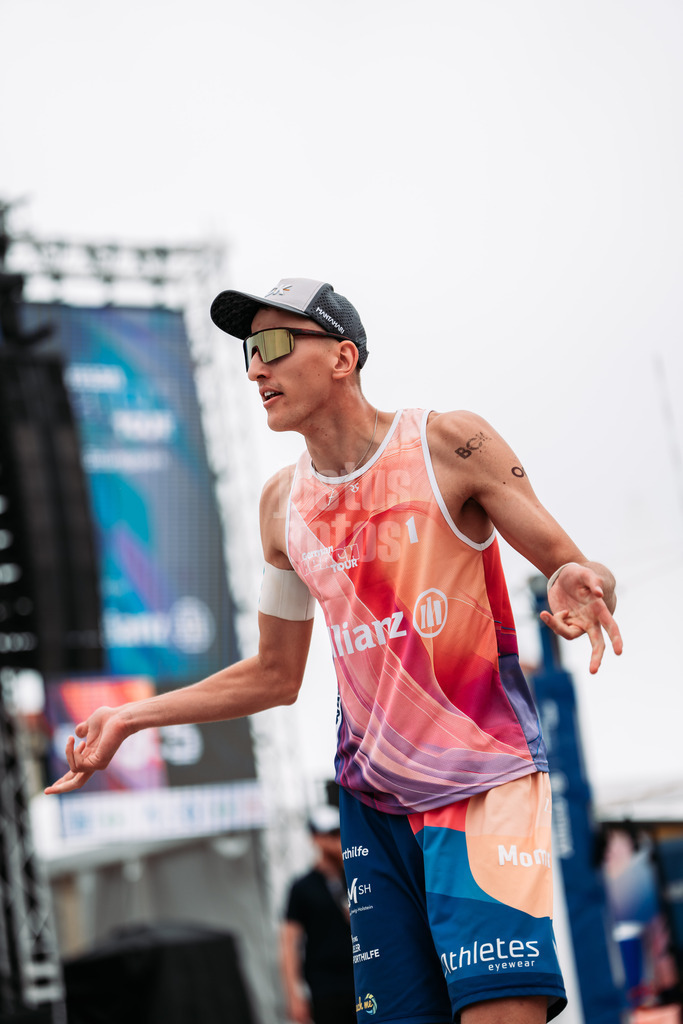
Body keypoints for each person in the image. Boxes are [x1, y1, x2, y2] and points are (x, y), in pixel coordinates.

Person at [46, 277, 623, 1024]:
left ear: (343, 356)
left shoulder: (447, 442)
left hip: (479, 782)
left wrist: (584, 578)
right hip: (372, 802)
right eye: (248, 352)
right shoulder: (282, 505)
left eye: (275, 346)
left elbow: (572, 565)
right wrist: (132, 717)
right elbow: (276, 673)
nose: (255, 368)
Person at [280, 804, 355, 1024]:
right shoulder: (302, 887)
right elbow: (288, 943)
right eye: (331, 834)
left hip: (362, 981)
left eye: (340, 832)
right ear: (315, 838)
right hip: (326, 987)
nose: (337, 840)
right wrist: (293, 995)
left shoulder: (356, 879)